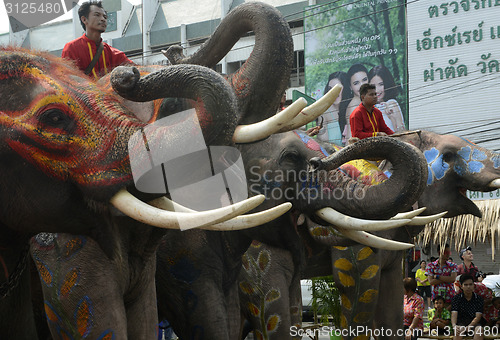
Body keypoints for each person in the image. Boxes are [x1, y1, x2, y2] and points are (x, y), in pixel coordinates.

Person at [62, 1, 133, 79]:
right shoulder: (71, 48)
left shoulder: (112, 53)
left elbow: (134, 69)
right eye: (97, 15)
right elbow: (67, 80)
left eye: (105, 17)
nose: (103, 19)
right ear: (84, 19)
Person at [315, 71, 349, 145]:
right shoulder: (325, 111)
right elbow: (323, 143)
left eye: (337, 88)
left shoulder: (351, 108)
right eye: (330, 88)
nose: (333, 92)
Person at [368, 65, 405, 132]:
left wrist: (393, 117)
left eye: (381, 84)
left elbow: (401, 133)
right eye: (372, 86)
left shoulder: (391, 103)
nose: (376, 90)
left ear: (387, 84)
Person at [451, 274, 484, 340]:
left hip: (474, 324)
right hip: (461, 323)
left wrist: (470, 326)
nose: (468, 287)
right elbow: (454, 313)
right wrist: (454, 325)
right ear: (461, 286)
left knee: (479, 330)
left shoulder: (479, 299)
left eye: (470, 284)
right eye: (465, 285)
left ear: (473, 285)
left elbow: (478, 316)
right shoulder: (456, 298)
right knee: (458, 331)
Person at [426, 243, 458, 307]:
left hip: (450, 297)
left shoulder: (453, 265)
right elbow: (431, 281)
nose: (448, 254)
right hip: (437, 299)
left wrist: (437, 277)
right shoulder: (431, 266)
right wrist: (447, 278)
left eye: (449, 252)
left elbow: (452, 279)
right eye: (446, 252)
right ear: (439, 252)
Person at [342, 64, 368, 143]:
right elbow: (350, 140)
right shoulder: (354, 108)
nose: (362, 85)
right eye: (356, 83)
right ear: (350, 87)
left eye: (364, 80)